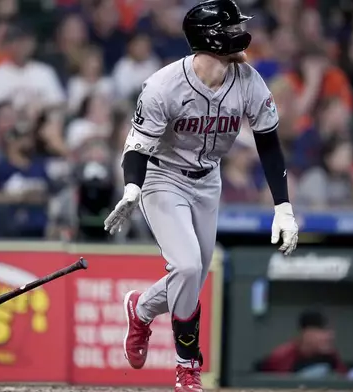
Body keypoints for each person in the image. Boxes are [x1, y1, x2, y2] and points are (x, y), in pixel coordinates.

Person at [102, 1, 299, 391]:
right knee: (189, 267)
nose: (239, 34)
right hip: (163, 176)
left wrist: (284, 207)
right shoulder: (163, 85)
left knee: (192, 273)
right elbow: (138, 146)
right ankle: (187, 366)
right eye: (230, 29)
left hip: (209, 179)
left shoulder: (248, 80)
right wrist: (132, 187)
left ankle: (140, 309)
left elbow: (269, 145)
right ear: (210, 38)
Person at [257, 310, 347, 376]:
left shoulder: (331, 355)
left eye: (330, 332)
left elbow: (345, 382)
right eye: (323, 331)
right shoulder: (282, 356)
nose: (330, 336)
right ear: (306, 333)